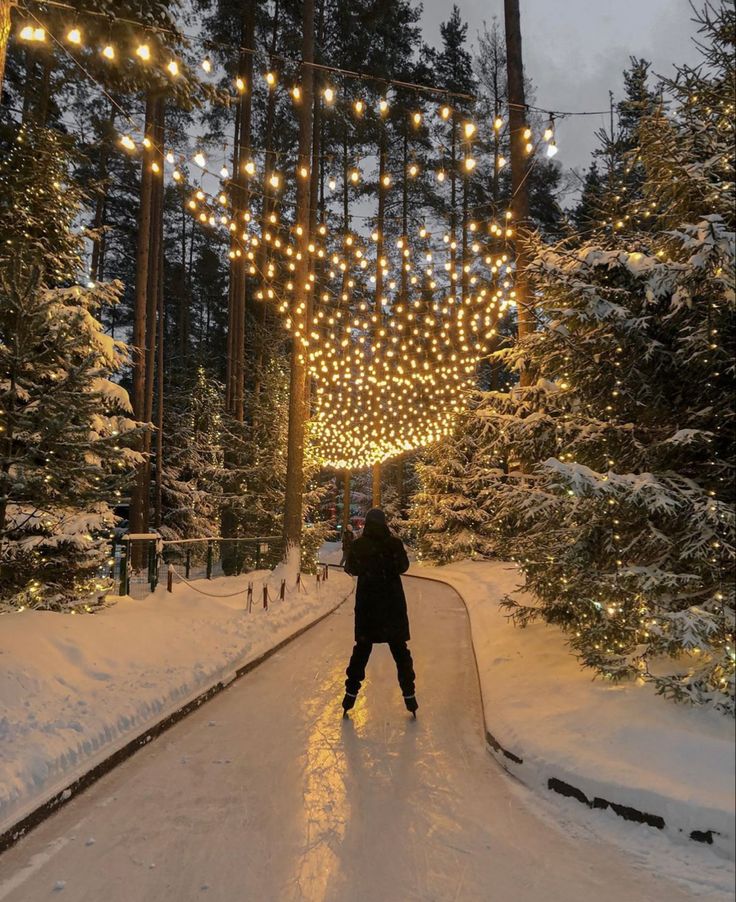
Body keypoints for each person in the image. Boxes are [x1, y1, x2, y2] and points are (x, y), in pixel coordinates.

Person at [341, 508, 418, 717]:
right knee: (400, 651)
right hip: (392, 604)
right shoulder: (393, 544)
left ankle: (350, 694)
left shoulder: (359, 545)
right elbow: (403, 567)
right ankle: (409, 695)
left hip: (368, 606)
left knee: (362, 650)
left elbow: (352, 569)